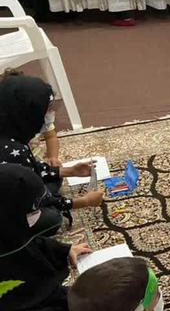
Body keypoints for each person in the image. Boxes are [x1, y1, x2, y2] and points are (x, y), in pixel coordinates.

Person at [0, 74, 103, 235]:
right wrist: (83, 202)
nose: (51, 114)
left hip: (13, 188)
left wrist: (70, 171)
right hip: (7, 213)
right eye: (45, 110)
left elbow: (31, 170)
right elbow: (35, 201)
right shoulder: (14, 152)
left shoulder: (9, 133)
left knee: (55, 175)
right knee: (52, 219)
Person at [0, 164, 92, 311]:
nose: (37, 213)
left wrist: (66, 249)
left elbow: (29, 243)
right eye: (31, 210)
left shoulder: (8, 225)